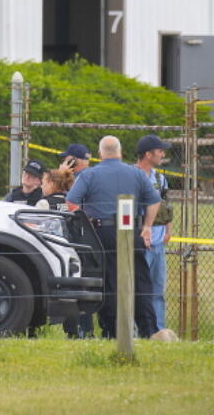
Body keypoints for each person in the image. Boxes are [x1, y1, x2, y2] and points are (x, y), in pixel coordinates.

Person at [66, 135, 160, 339]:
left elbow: (72, 201)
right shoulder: (136, 174)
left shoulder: (90, 175)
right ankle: (148, 330)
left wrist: (86, 221)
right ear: (120, 151)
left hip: (102, 233)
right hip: (131, 231)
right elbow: (154, 200)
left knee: (108, 282)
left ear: (100, 153)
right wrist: (147, 227)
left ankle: (112, 331)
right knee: (140, 281)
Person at [135, 134, 173, 333]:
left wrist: (168, 230)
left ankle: (158, 330)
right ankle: (135, 329)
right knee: (138, 289)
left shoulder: (160, 178)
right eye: (159, 151)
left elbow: (166, 204)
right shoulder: (132, 175)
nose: (162, 154)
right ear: (148, 154)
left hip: (158, 242)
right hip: (140, 243)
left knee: (158, 291)